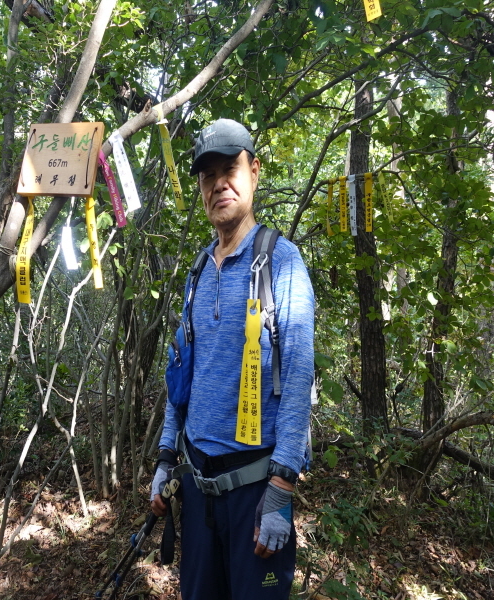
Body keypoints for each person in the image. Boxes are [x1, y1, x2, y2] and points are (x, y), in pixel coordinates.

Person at [150, 119, 314, 599]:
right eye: (208, 175)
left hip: (256, 487)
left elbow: (298, 376)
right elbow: (180, 373)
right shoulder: (198, 271)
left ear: (254, 171)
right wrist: (166, 457)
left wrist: (282, 487)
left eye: (230, 170)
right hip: (197, 484)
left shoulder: (282, 261)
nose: (219, 184)